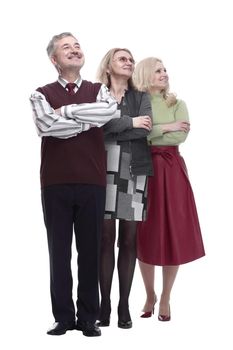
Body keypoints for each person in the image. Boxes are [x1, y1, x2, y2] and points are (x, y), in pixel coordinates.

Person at [30, 32, 119, 337]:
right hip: (54, 183)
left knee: (90, 250)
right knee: (59, 252)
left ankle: (88, 318)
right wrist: (87, 120)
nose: (74, 50)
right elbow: (45, 125)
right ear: (54, 59)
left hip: (92, 181)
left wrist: (67, 113)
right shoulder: (41, 93)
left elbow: (109, 112)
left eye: (77, 45)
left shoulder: (99, 90)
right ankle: (63, 317)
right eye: (66, 47)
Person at [133, 57, 205, 321]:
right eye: (158, 70)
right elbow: (136, 135)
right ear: (145, 75)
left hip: (172, 168)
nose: (164, 74)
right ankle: (149, 293)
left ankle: (165, 297)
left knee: (173, 229)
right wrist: (166, 127)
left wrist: (155, 131)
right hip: (144, 169)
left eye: (165, 70)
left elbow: (181, 135)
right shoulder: (137, 103)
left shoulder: (178, 103)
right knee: (145, 230)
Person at [95, 48, 153, 329]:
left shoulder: (141, 97)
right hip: (101, 171)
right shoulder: (97, 94)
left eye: (131, 59)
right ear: (108, 66)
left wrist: (115, 126)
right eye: (123, 59)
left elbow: (145, 130)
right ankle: (104, 304)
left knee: (129, 241)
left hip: (134, 171)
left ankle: (123, 305)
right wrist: (129, 122)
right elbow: (96, 128)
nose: (129, 62)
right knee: (104, 239)